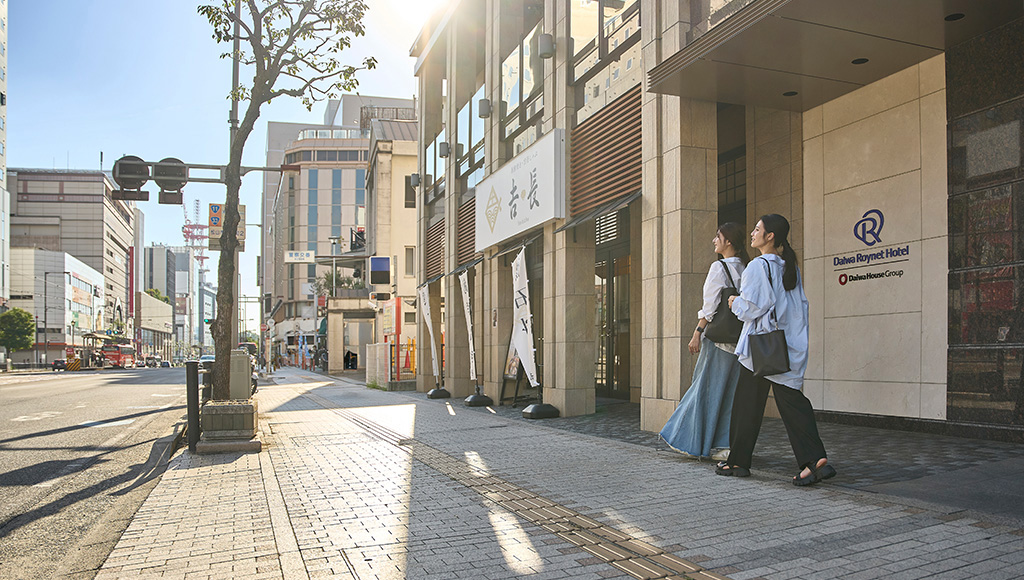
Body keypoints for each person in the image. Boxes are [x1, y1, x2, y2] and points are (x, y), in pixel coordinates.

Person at [716, 214, 836, 486]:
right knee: (792, 403)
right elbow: (798, 308)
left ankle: (739, 461)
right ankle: (813, 460)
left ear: (770, 236)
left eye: (757, 229)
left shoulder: (758, 266)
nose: (752, 233)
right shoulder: (788, 266)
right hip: (786, 346)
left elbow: (752, 308)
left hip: (761, 348)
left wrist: (734, 302)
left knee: (747, 405)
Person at [660, 223, 749, 460]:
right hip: (740, 342)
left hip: (718, 340)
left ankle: (688, 439)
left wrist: (697, 332)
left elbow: (709, 308)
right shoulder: (747, 268)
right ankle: (723, 445)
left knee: (704, 389)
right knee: (729, 394)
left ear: (728, 241)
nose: (714, 240)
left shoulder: (719, 268)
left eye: (718, 237)